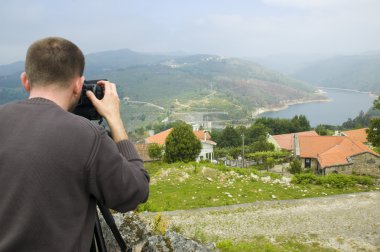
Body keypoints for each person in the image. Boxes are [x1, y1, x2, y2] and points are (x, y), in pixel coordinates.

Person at [0, 37, 150, 251]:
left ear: (25, 80)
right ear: (79, 85)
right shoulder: (88, 137)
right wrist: (115, 120)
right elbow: (135, 192)